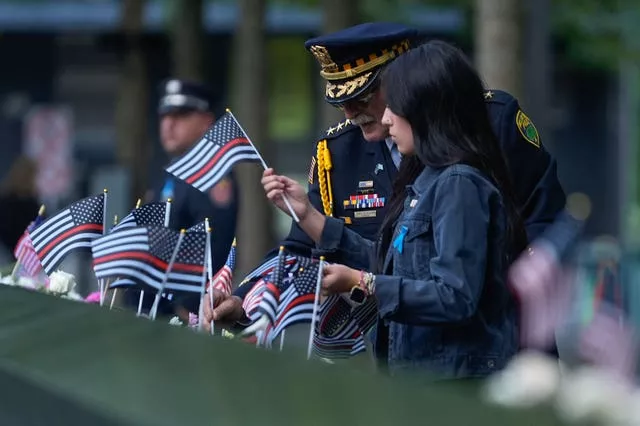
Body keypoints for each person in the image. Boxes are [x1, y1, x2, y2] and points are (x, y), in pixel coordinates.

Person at [203, 22, 565, 328]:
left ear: (407, 83)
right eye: (340, 101)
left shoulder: (490, 122)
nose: (350, 112)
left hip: (501, 338)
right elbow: (309, 252)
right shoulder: (338, 153)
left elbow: (545, 225)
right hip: (403, 352)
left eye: (362, 96)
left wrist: (505, 295)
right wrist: (241, 301)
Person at [263, 40, 525, 379]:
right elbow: (396, 264)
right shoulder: (429, 179)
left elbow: (456, 295)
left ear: (426, 110)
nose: (386, 119)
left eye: (395, 107)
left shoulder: (460, 183)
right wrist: (309, 216)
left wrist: (364, 282)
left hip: (457, 388)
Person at [129, 79, 238, 316]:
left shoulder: (212, 176)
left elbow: (213, 249)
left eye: (180, 116)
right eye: (165, 116)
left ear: (206, 121)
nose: (169, 124)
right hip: (149, 309)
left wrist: (187, 310)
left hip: (180, 318)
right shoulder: (169, 173)